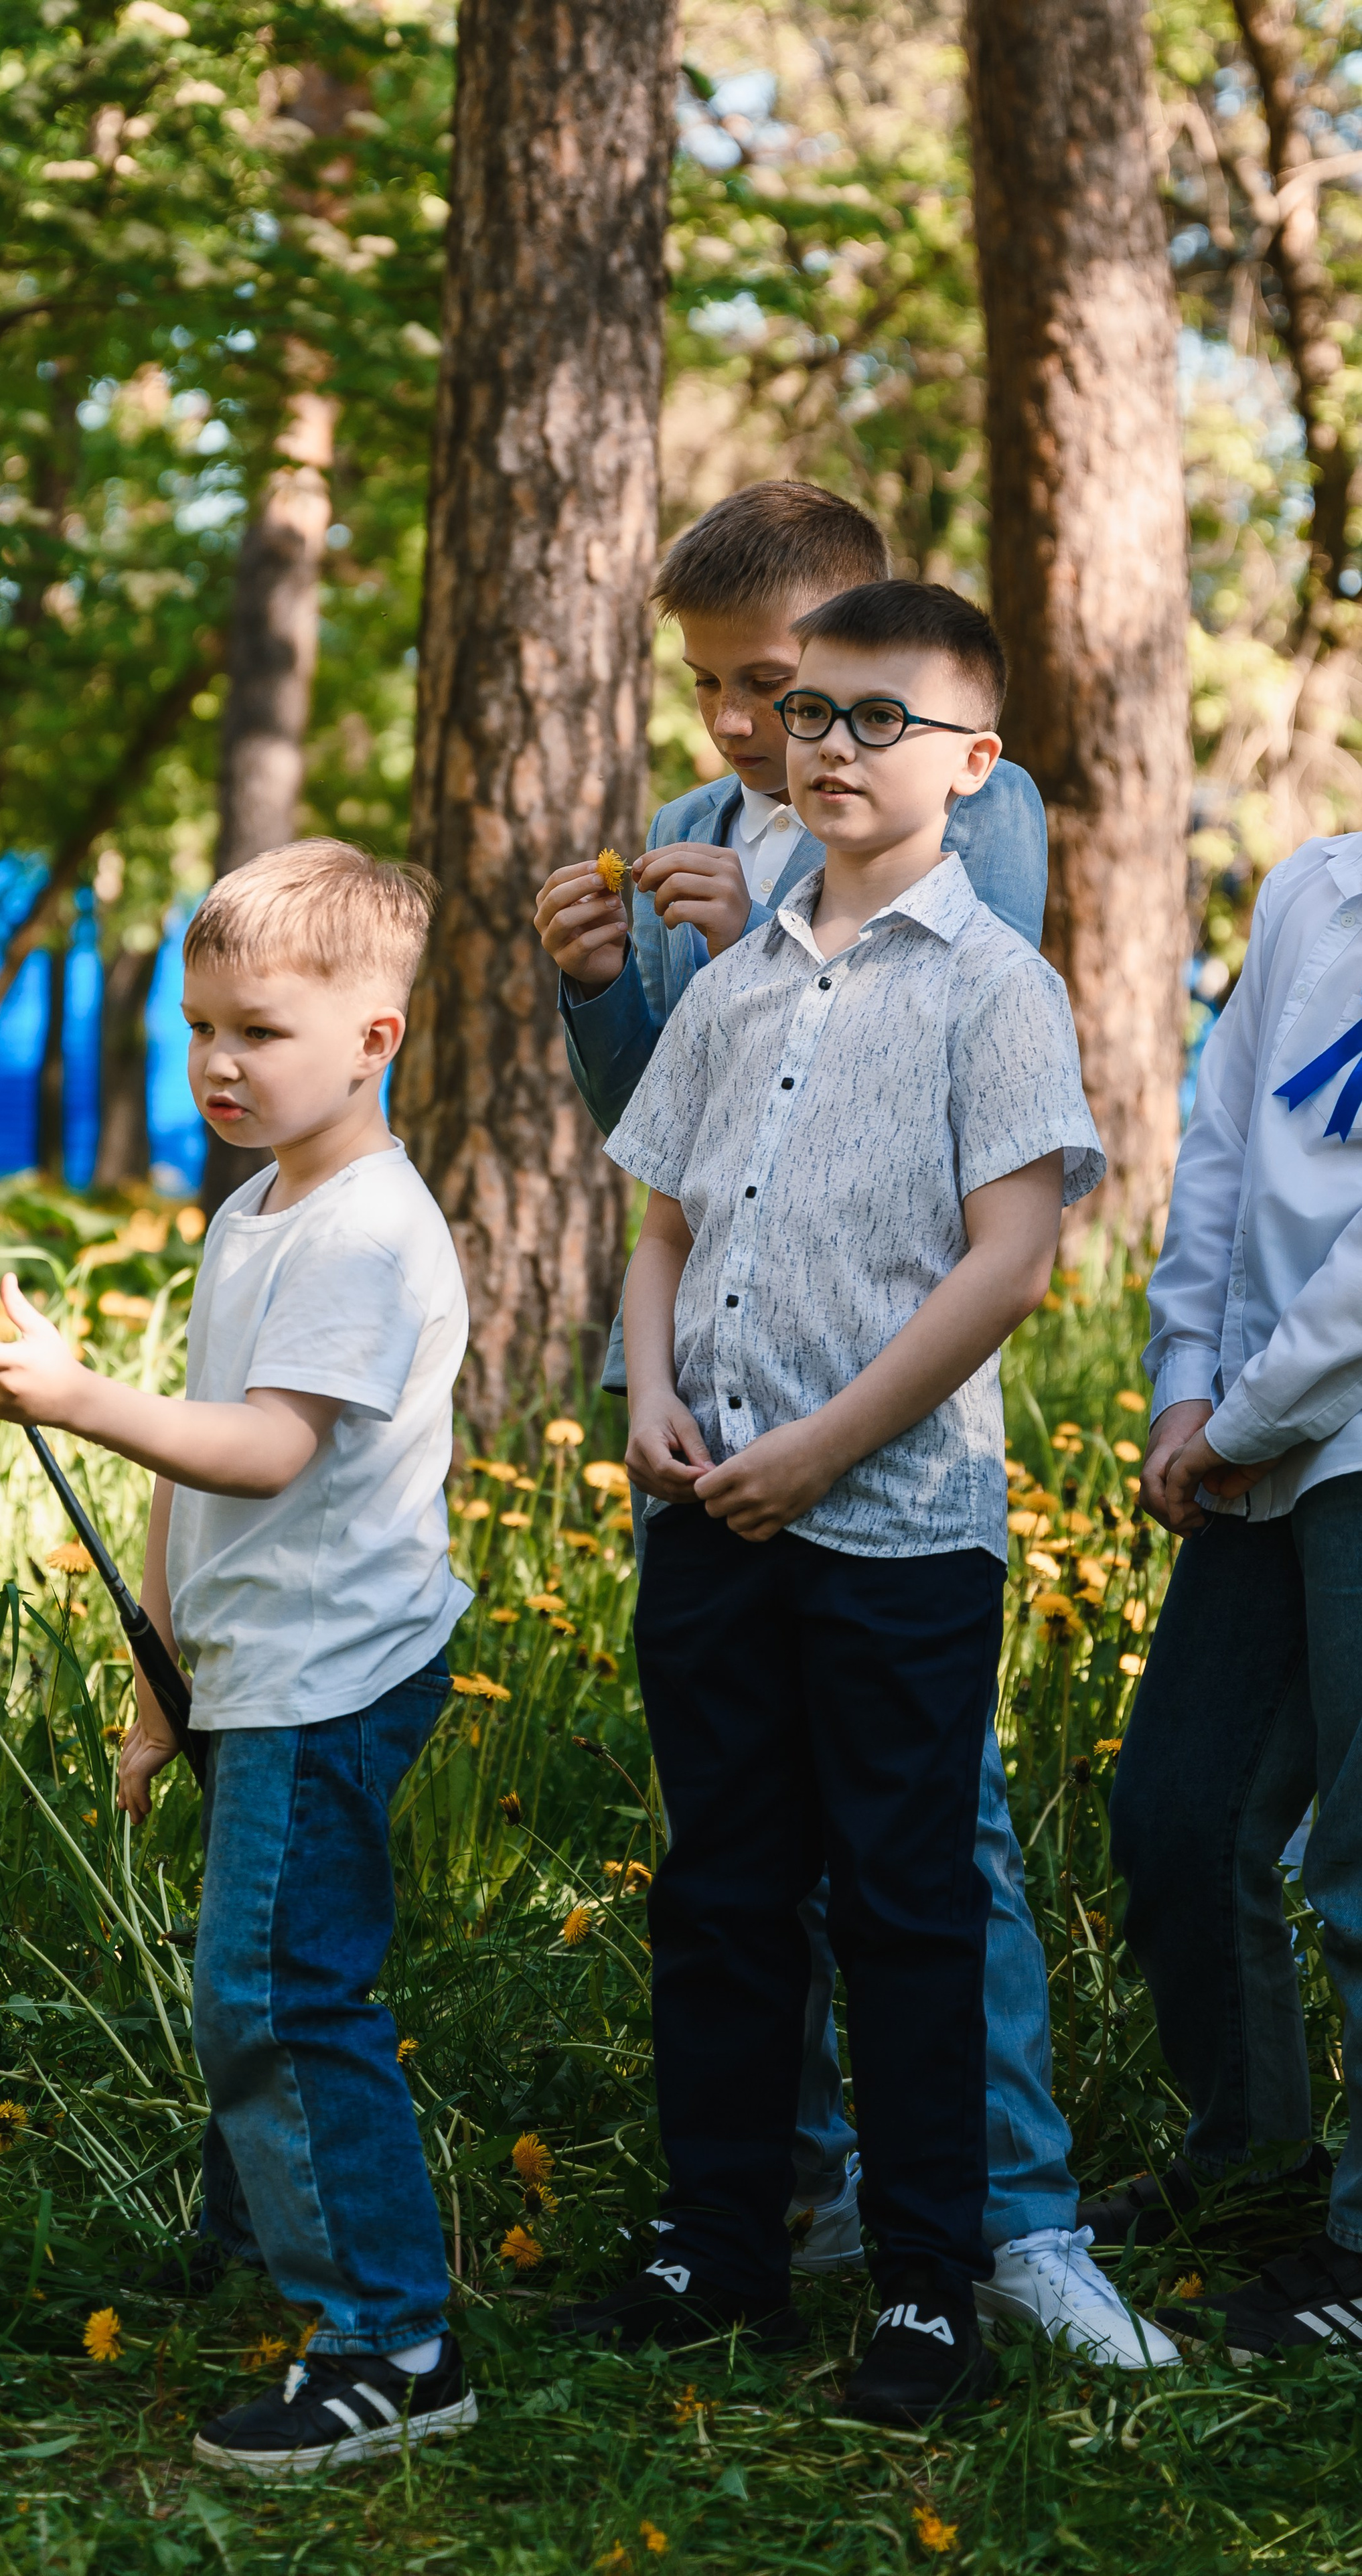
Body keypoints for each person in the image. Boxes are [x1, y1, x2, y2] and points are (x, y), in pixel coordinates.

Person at [535, 483, 1170, 2372]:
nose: (769, 733)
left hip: (889, 1482)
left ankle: (986, 2235)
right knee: (727, 1866)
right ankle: (753, 2219)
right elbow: (669, 1148)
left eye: (797, 691)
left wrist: (773, 927)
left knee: (925, 1864)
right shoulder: (690, 867)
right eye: (744, 702)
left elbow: (982, 1172)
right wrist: (604, 992)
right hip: (708, 1461)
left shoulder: (978, 871)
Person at [0, 839, 478, 2476]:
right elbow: (196, 1492)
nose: (216, 1064)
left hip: (334, 1672)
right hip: (261, 1665)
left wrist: (76, 1396)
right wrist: (153, 1682)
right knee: (259, 1956)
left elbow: (261, 1449)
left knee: (275, 1983)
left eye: (256, 1029)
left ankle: (392, 2341)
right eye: (199, 1029)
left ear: (372, 1041)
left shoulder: (362, 1234)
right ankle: (262, 2223)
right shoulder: (256, 1212)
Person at [1082, 826, 1362, 2357]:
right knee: (1179, 1807)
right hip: (1259, 1418)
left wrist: (1245, 1413)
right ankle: (1250, 2152)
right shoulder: (1315, 885)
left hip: (1334, 1418)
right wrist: (1182, 1381)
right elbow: (1217, 1147)